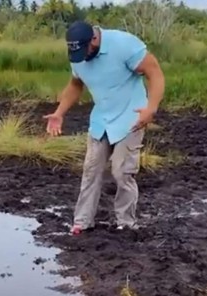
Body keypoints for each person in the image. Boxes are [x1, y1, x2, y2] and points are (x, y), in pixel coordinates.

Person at [43, 21, 165, 235]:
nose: (82, 56)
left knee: (122, 172)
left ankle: (126, 223)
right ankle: (82, 222)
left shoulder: (124, 44)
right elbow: (75, 84)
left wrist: (151, 108)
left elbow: (155, 73)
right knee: (90, 171)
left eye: (84, 50)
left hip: (131, 118)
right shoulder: (78, 55)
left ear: (94, 39)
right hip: (101, 120)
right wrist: (59, 113)